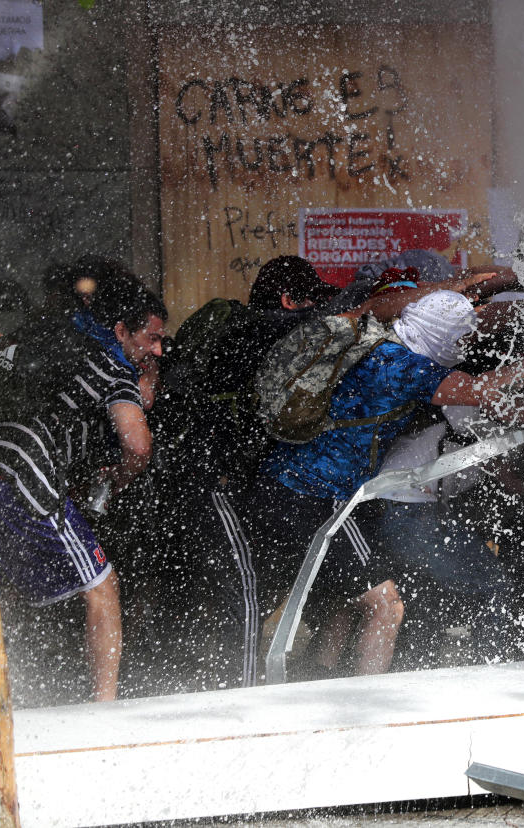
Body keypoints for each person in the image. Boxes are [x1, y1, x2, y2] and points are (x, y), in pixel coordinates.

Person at [245, 290, 524, 679]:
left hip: (284, 483)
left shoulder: (379, 347)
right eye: (462, 338)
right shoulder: (404, 366)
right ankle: (369, 707)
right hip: (318, 495)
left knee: (340, 595)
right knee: (387, 605)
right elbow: (482, 389)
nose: (465, 347)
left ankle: (320, 680)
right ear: (443, 335)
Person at [147, 255, 340, 690]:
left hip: (185, 475)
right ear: (290, 301)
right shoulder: (252, 329)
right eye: (307, 301)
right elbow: (311, 324)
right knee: (244, 588)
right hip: (206, 479)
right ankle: (244, 692)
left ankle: (159, 679)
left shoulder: (234, 330)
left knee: (183, 586)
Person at [0, 261, 165, 701]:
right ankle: (104, 709)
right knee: (101, 587)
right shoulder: (110, 365)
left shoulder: (25, 338)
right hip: (21, 468)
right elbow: (138, 445)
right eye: (151, 338)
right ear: (120, 330)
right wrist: (116, 481)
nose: (157, 350)